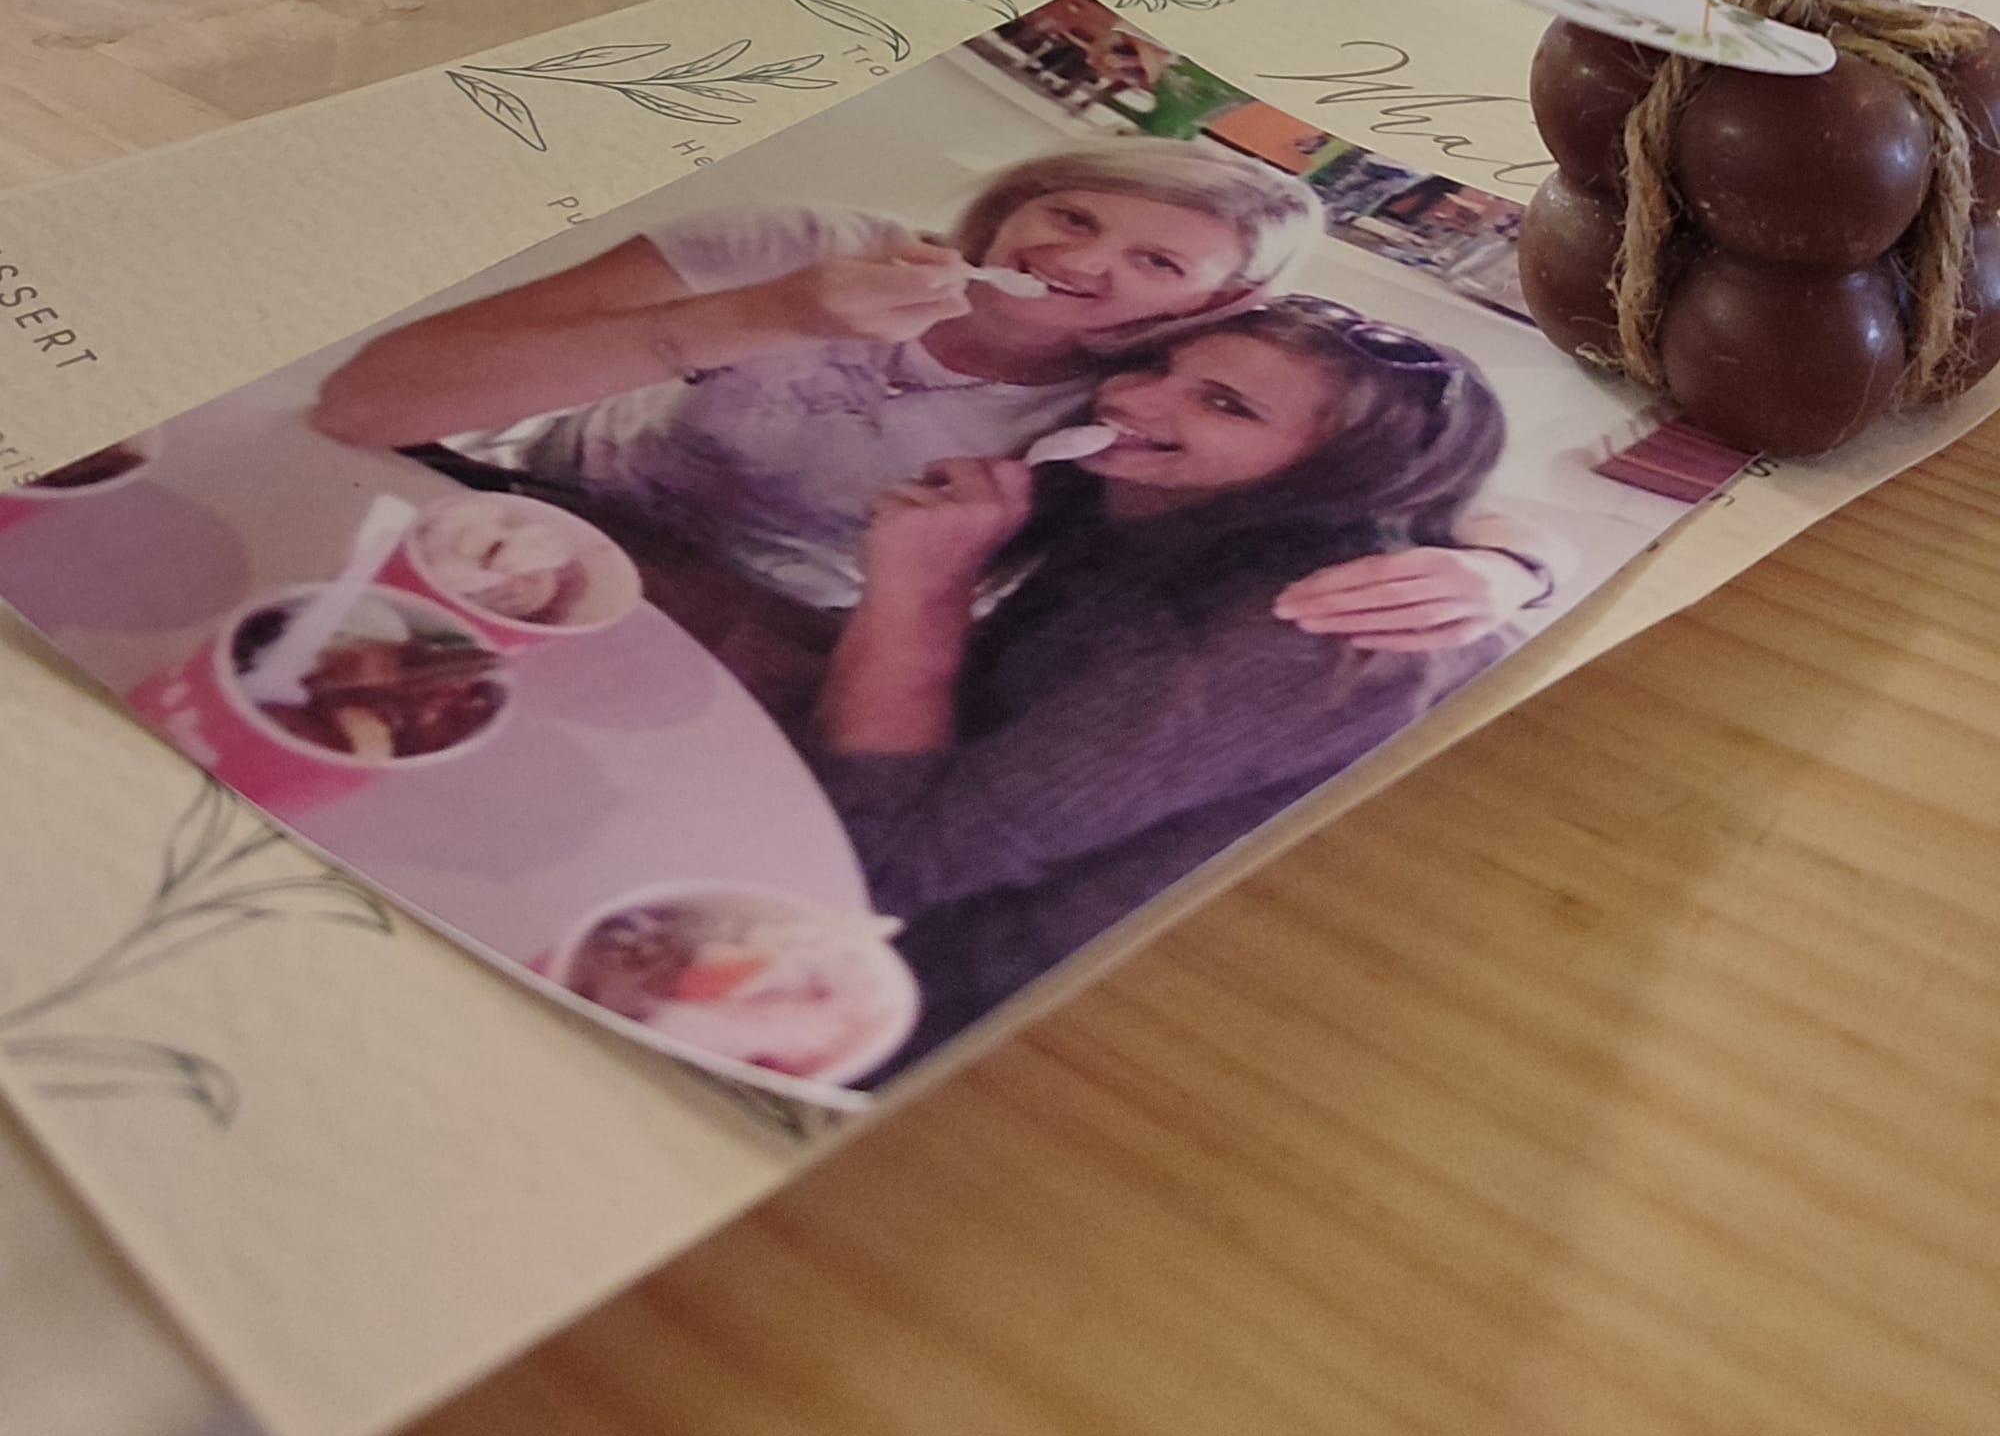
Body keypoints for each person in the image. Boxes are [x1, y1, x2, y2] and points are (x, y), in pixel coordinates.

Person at [312, 144, 1549, 703]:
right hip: (511, 509)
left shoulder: (1136, 409)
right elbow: (371, 400)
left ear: (1211, 308)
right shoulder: (795, 248)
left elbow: (1433, 488)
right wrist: (771, 313)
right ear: (1016, 204)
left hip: (733, 633)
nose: (1077, 262)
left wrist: (1506, 571)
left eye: (1155, 263)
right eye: (1071, 217)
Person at [810, 297, 1511, 1063]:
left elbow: (879, 866)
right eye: (1158, 363)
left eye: (1226, 405)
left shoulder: (1296, 635)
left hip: (957, 1020)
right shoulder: (1150, 511)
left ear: (1344, 477)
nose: (1133, 398)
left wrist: (919, 591)